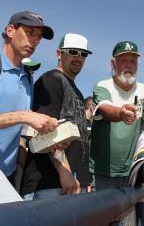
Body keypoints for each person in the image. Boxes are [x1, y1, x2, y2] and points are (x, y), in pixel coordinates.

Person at [20, 33, 92, 200]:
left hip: (72, 184)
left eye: (83, 54)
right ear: (59, 54)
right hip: (50, 184)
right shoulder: (51, 80)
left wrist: (84, 178)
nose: (78, 58)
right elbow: (45, 131)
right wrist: (64, 172)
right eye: (73, 52)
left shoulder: (78, 92)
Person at [0, 11, 60, 191]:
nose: (35, 40)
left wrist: (51, 137)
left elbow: (18, 131)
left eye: (39, 37)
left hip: (7, 177)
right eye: (29, 32)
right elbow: (21, 117)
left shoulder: (27, 76)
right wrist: (25, 115)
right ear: (10, 31)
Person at [89, 41, 144, 190]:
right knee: (103, 213)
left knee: (129, 214)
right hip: (102, 171)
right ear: (113, 64)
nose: (129, 65)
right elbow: (105, 109)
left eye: (133, 61)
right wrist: (120, 113)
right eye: (123, 60)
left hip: (132, 172)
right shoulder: (103, 86)